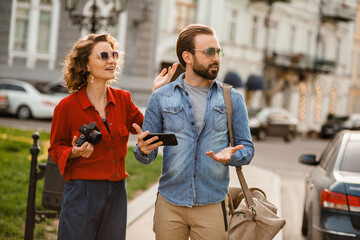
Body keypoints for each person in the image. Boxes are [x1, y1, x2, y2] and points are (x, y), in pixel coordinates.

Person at [48, 33, 177, 240]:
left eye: (114, 54)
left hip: (117, 192)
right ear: (85, 65)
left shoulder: (123, 99)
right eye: (103, 56)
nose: (112, 60)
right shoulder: (67, 107)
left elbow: (149, 128)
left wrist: (157, 94)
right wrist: (74, 152)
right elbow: (55, 150)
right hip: (82, 192)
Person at [133, 24, 255, 240]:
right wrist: (143, 150)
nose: (216, 57)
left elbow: (248, 149)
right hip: (170, 204)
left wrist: (232, 156)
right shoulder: (161, 97)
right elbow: (145, 157)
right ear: (187, 57)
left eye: (218, 52)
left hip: (212, 204)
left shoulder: (232, 98)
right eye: (209, 52)